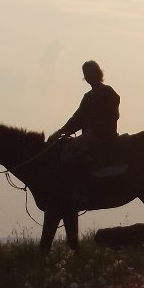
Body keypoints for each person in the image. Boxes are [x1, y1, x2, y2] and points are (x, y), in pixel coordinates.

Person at [50, 60, 120, 203]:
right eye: (86, 73)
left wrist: (94, 130)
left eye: (90, 72)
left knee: (69, 151)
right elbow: (77, 118)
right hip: (90, 135)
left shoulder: (108, 92)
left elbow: (113, 115)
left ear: (98, 73)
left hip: (104, 135)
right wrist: (61, 132)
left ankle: (78, 190)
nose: (88, 76)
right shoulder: (87, 97)